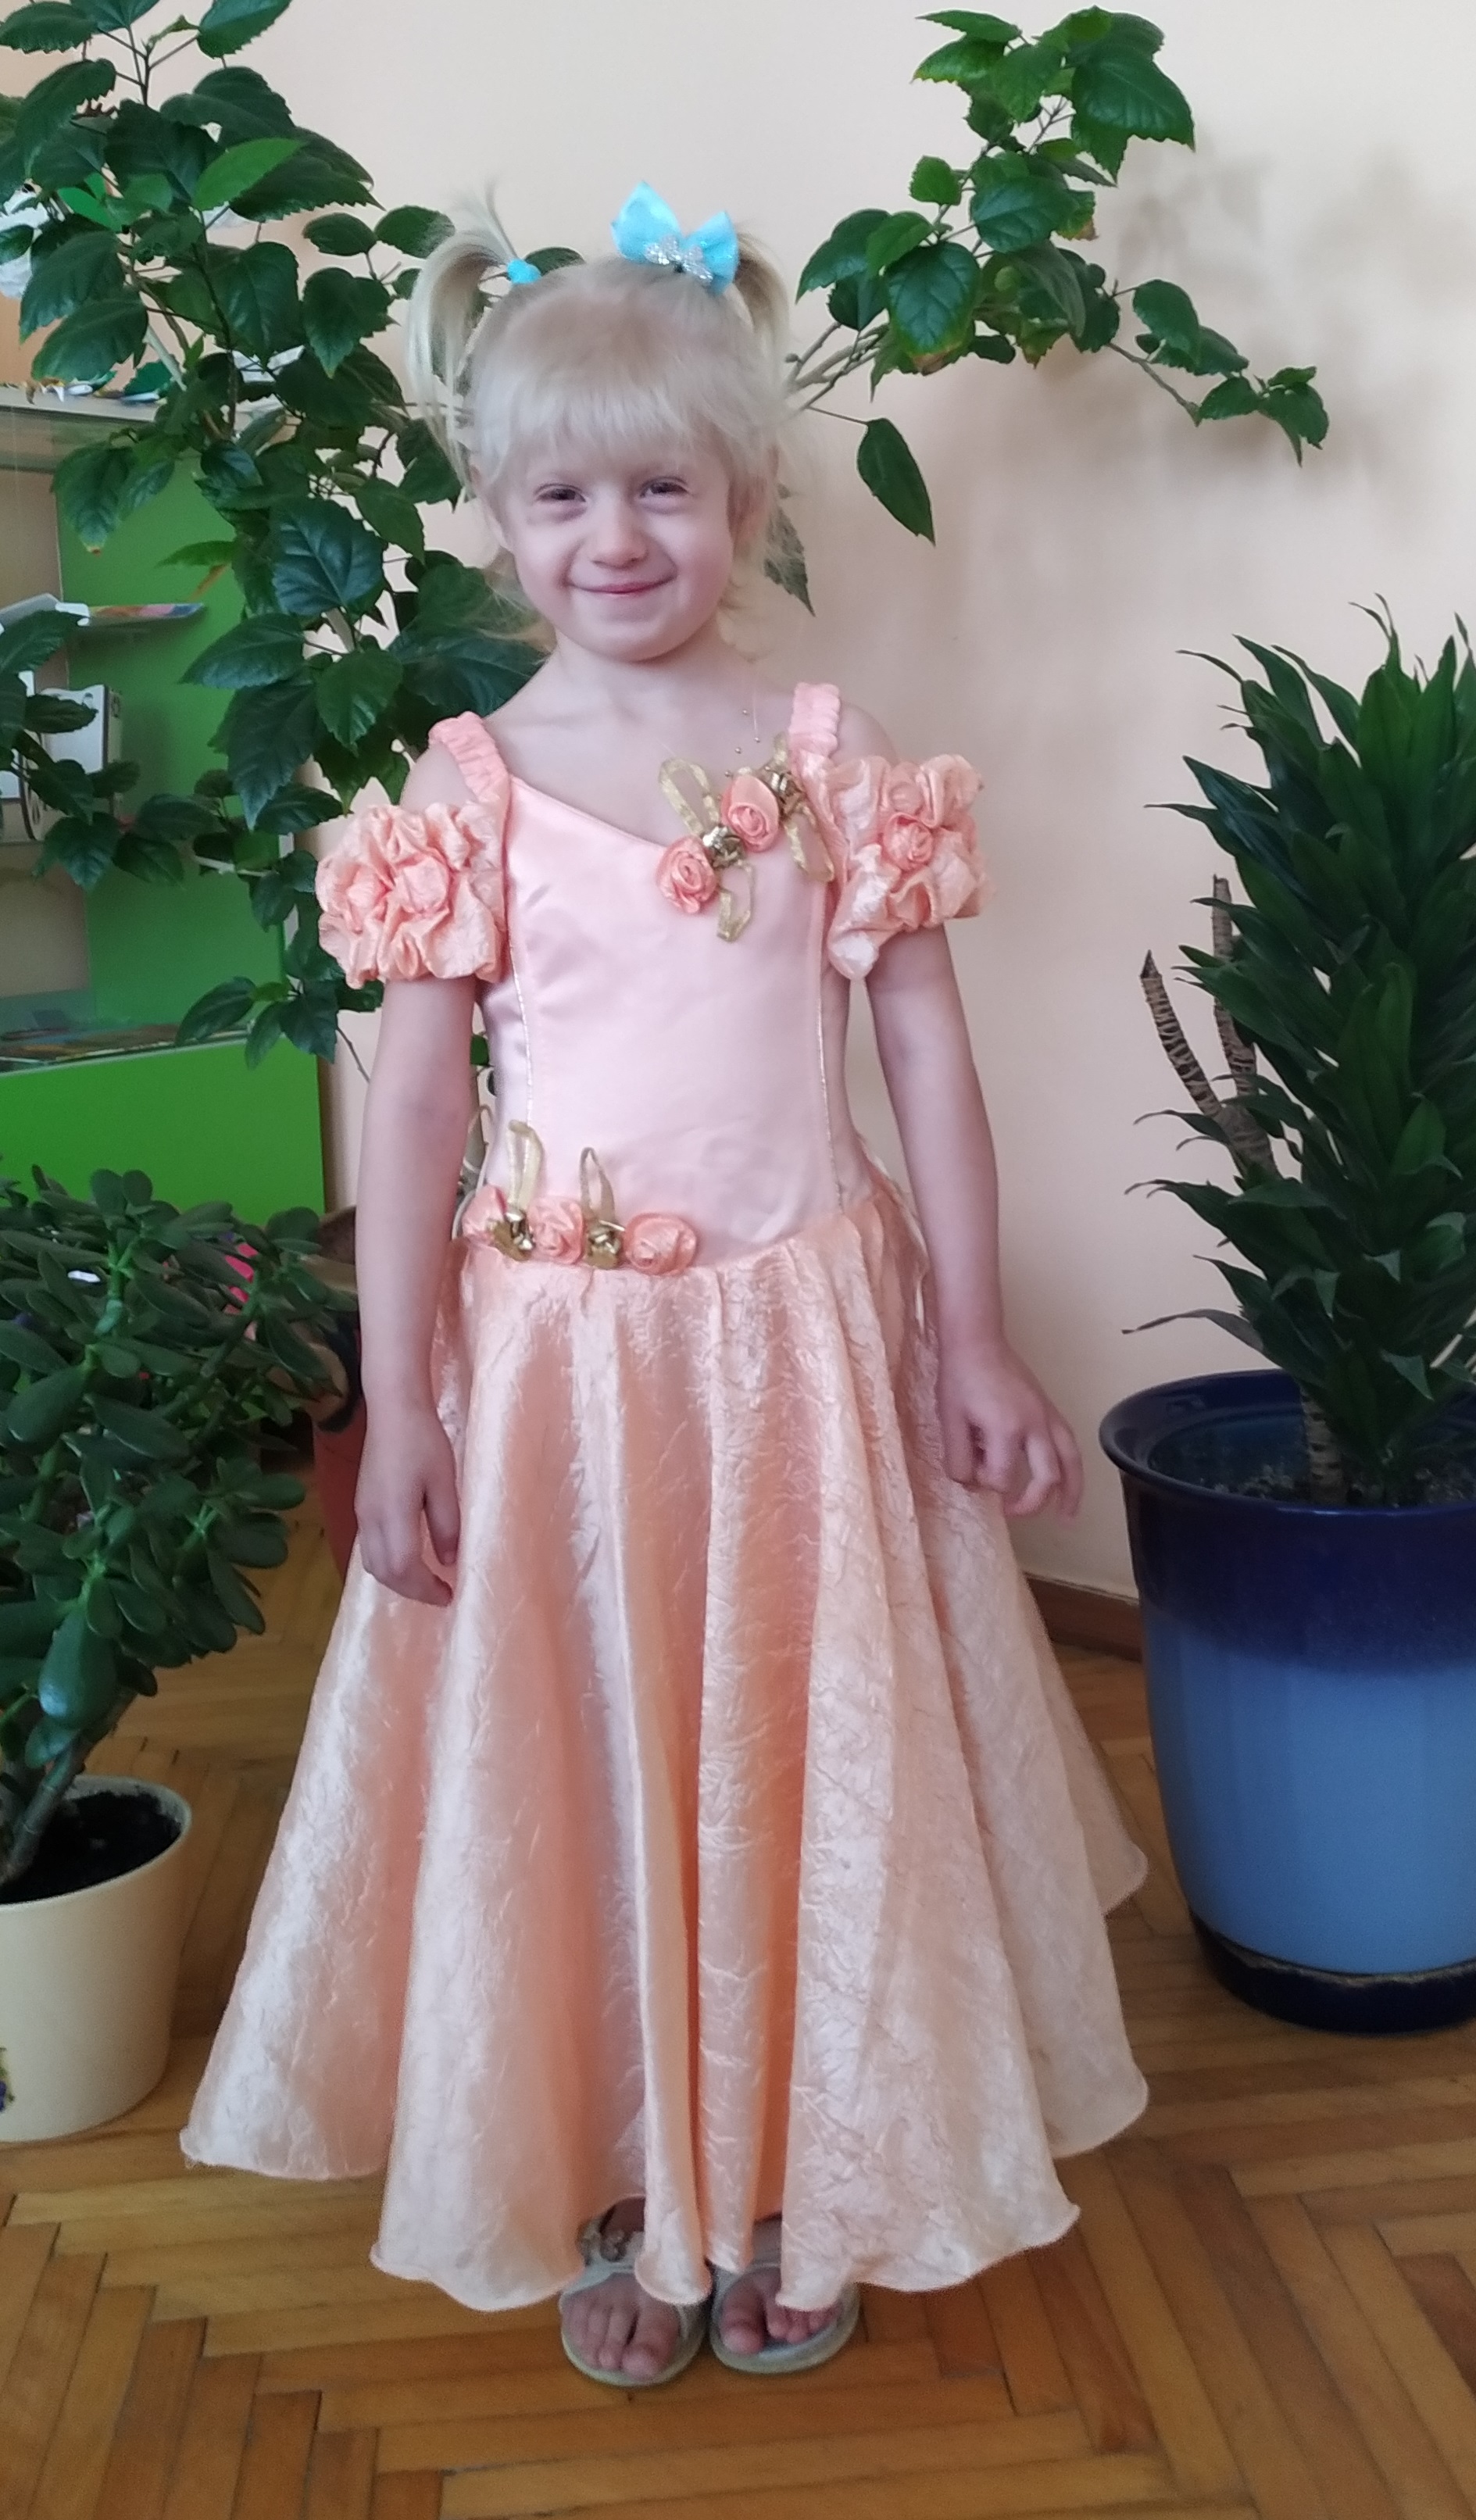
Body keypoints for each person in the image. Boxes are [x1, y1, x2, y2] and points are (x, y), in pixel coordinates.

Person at [183, 182, 1146, 2390]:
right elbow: (414, 1120)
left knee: (810, 1753)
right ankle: (632, 2163)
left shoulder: (827, 756)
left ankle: (806, 2163)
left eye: (660, 491)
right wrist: (397, 1399)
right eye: (561, 498)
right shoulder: (463, 789)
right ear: (493, 520)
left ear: (745, 500)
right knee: (590, 1759)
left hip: (804, 1352)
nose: (611, 539)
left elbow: (924, 1056)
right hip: (554, 1378)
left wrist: (973, 1334)